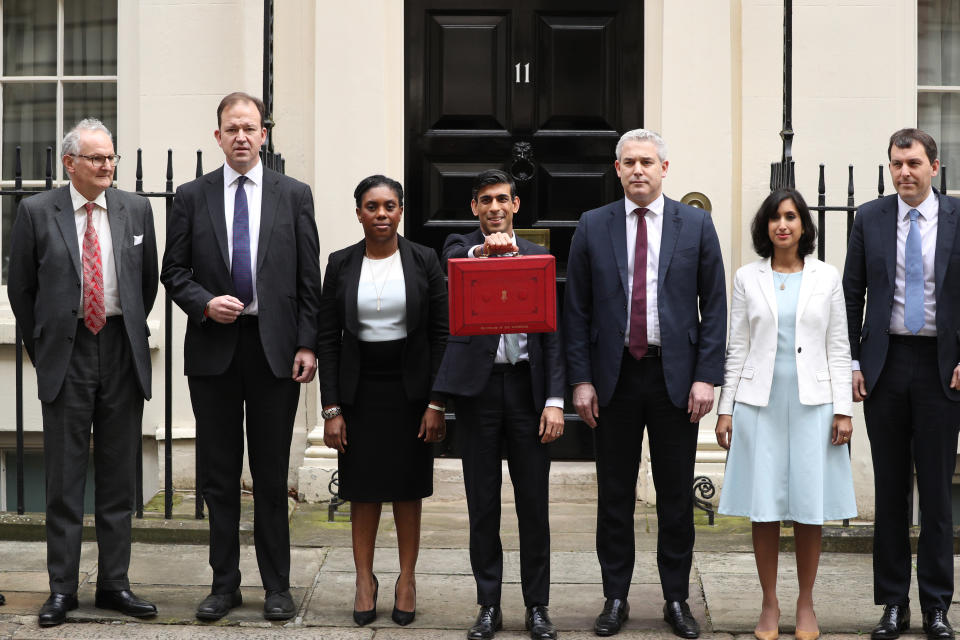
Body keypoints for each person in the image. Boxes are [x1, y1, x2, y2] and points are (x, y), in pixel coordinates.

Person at [160, 92, 322, 622]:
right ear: (218, 137)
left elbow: (307, 280)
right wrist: (205, 303)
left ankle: (277, 586)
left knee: (272, 475)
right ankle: (224, 584)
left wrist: (306, 342)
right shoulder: (190, 196)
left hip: (275, 351)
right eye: (232, 129)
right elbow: (174, 272)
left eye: (250, 128)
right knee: (218, 475)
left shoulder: (293, 195)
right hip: (214, 350)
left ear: (264, 134)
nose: (242, 137)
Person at [563, 129, 726, 638]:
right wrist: (581, 380)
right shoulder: (592, 226)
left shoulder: (695, 225)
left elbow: (715, 305)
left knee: (675, 495)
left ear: (664, 168)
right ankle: (616, 597)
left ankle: (676, 599)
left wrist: (706, 376)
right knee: (613, 494)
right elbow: (576, 309)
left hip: (674, 379)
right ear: (617, 169)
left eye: (647, 162)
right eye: (629, 162)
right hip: (613, 379)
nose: (638, 170)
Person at [7, 118, 159, 627]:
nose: (107, 166)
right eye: (97, 158)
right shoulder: (35, 211)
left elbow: (148, 282)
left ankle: (115, 584)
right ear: (69, 163)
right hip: (66, 352)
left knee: (119, 479)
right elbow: (20, 289)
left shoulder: (135, 209)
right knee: (65, 479)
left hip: (119, 347)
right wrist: (44, 347)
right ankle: (62, 589)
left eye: (111, 157)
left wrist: (126, 330)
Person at [715, 188, 856, 640]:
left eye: (791, 217)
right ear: (765, 226)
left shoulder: (826, 277)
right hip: (760, 404)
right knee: (765, 508)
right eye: (776, 217)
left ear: (803, 225)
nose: (783, 225)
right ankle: (770, 604)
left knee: (809, 508)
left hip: (814, 405)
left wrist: (843, 410)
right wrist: (725, 411)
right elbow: (736, 348)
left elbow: (838, 347)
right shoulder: (746, 277)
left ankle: (806, 604)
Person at [432, 169, 565, 640]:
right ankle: (488, 604)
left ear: (516, 204)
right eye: (485, 200)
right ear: (474, 207)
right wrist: (481, 252)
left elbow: (553, 334)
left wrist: (554, 400)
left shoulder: (538, 257)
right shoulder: (458, 248)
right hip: (480, 393)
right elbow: (452, 267)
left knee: (534, 505)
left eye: (502, 200)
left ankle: (537, 607)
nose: (494, 207)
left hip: (529, 394)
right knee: (482, 503)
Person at [843, 128, 960, 640]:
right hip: (885, 365)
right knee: (890, 491)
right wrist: (850, 361)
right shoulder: (869, 218)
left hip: (941, 367)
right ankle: (892, 603)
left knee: (936, 492)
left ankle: (937, 606)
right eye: (896, 164)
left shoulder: (958, 217)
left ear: (935, 167)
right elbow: (851, 294)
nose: (904, 172)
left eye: (913, 163)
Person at [316, 175, 448, 627]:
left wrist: (436, 402)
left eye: (390, 206)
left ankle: (407, 580)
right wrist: (331, 408)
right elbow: (327, 339)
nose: (381, 214)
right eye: (372, 206)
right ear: (358, 213)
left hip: (411, 394)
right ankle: (363, 580)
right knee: (363, 490)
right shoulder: (340, 263)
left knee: (409, 490)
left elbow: (441, 334)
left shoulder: (425, 260)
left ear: (401, 211)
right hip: (359, 392)